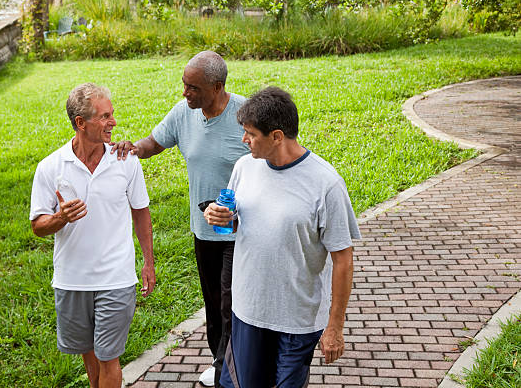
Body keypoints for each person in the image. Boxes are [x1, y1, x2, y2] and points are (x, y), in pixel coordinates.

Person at [204, 86, 360, 388]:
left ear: (277, 136)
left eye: (250, 134)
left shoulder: (326, 184)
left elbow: (343, 260)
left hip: (296, 322)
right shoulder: (244, 167)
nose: (244, 140)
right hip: (248, 312)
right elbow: (241, 222)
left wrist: (335, 327)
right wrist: (222, 217)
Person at [111, 51, 248, 387]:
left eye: (193, 87)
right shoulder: (183, 114)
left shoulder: (245, 114)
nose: (185, 92)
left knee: (232, 305)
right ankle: (221, 363)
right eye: (184, 85)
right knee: (214, 305)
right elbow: (155, 143)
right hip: (203, 230)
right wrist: (134, 149)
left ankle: (232, 371)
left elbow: (271, 160)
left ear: (217, 87)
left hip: (241, 232)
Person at [30, 83, 156, 388]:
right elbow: (37, 225)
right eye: (104, 116)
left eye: (112, 114)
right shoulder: (51, 167)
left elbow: (141, 211)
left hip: (116, 277)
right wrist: (60, 218)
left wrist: (148, 263)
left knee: (108, 357)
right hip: (72, 279)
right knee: (90, 357)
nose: (113, 122)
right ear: (80, 123)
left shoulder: (125, 161)